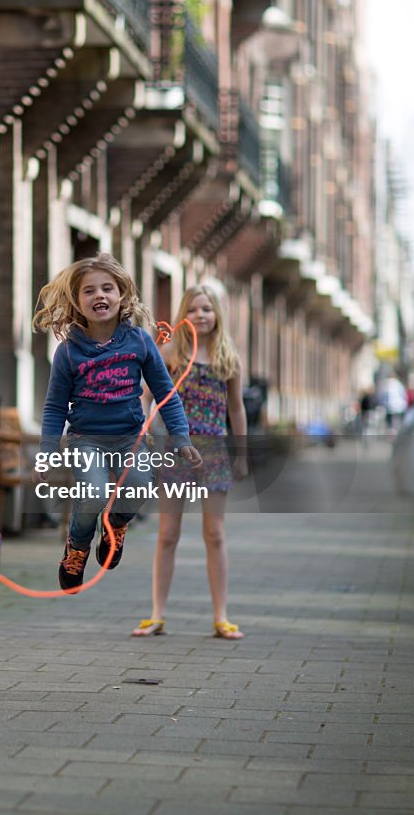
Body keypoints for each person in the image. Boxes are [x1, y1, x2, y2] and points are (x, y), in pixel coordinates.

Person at [32, 254, 202, 592]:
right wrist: (48, 451)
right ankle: (77, 547)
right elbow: (54, 407)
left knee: (140, 485)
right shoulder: (68, 352)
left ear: (121, 294)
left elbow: (166, 393)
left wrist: (182, 439)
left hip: (130, 438)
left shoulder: (140, 341)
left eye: (107, 288)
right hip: (85, 439)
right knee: (93, 493)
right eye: (89, 291)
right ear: (77, 302)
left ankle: (116, 524)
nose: (100, 296)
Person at [132, 284, 248, 640]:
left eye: (207, 309)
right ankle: (157, 614)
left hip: (213, 453)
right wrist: (143, 429)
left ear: (217, 315)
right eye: (194, 309)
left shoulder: (228, 358)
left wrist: (241, 453)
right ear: (185, 313)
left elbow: (235, 408)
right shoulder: (169, 354)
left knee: (215, 535)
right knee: (168, 533)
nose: (201, 315)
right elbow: (145, 395)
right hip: (175, 454)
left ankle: (221, 616)